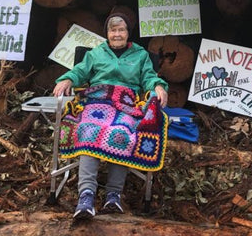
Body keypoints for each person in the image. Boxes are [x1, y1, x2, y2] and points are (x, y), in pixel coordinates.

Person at [53, 12, 168, 219]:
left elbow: (149, 78)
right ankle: (86, 196)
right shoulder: (96, 53)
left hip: (126, 105)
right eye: (113, 30)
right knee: (89, 130)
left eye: (121, 30)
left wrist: (158, 86)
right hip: (97, 101)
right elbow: (80, 71)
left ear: (127, 33)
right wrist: (68, 79)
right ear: (107, 33)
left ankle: (113, 195)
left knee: (121, 133)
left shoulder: (140, 55)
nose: (117, 34)